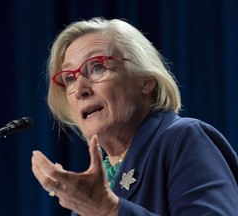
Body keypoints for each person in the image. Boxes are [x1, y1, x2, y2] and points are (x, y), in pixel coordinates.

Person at [31, 17, 238, 215]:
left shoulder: (183, 139)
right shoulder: (89, 195)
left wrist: (108, 210)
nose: (79, 89)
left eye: (96, 67)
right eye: (69, 79)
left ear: (146, 80)